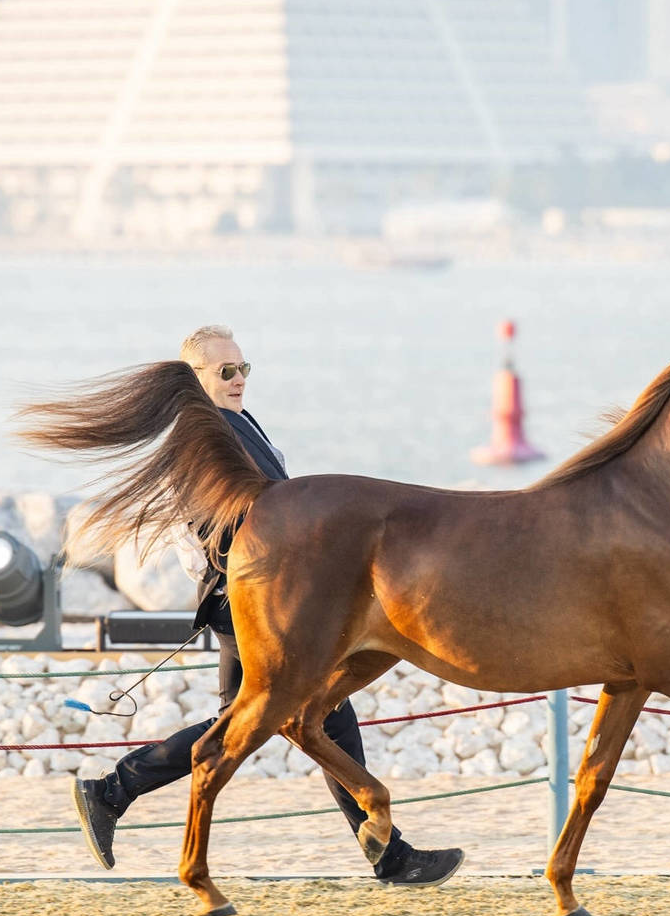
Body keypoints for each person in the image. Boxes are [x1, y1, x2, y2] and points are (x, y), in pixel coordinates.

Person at [71, 323, 465, 886]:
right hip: (251, 602)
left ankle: (113, 791)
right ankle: (390, 855)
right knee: (305, 715)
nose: (238, 380)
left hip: (264, 598)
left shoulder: (235, 425)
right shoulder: (202, 438)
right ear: (194, 379)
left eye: (243, 369)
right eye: (225, 371)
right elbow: (218, 533)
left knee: (257, 719)